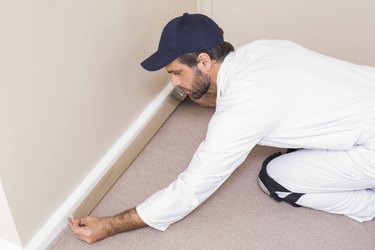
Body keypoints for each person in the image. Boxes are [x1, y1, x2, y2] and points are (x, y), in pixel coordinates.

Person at [69, 13, 375, 244]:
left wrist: (109, 225)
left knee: (274, 176)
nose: (174, 83)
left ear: (203, 61)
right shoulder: (262, 49)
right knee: (298, 144)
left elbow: (190, 189)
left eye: (176, 73)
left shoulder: (241, 112)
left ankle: (368, 204)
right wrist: (213, 97)